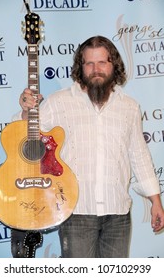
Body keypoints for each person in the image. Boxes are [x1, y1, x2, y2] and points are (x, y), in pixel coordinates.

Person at [14, 35, 164, 258]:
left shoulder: (130, 107)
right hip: (76, 212)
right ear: (80, 66)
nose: (96, 69)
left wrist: (155, 201)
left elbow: (139, 154)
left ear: (114, 65)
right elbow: (25, 134)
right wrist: (27, 110)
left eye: (102, 62)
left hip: (118, 214)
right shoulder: (59, 101)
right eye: (89, 63)